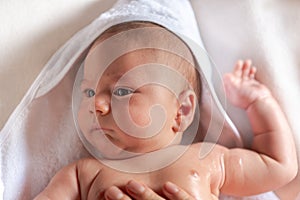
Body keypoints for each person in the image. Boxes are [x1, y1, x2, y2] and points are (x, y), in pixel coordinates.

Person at [34, 22, 297, 200]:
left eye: (122, 92)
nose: (97, 105)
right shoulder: (82, 175)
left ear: (181, 110)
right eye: (88, 92)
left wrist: (258, 101)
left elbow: (279, 166)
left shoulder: (208, 160)